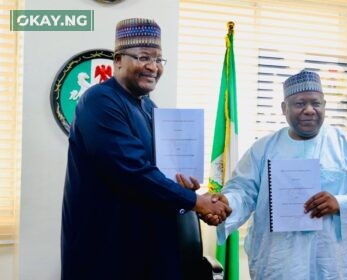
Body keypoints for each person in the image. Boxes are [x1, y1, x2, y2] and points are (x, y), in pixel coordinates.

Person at [61, 18, 231, 280]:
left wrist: (185, 186)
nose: (153, 67)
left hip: (147, 249)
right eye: (143, 57)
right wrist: (196, 202)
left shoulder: (149, 107)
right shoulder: (100, 100)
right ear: (118, 60)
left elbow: (157, 173)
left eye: (159, 60)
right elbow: (132, 172)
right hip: (108, 252)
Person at [215, 70, 347, 279]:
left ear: (324, 106)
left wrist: (340, 203)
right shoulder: (263, 149)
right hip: (279, 262)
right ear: (283, 108)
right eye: (299, 104)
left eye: (316, 103)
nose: (309, 110)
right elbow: (242, 192)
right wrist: (225, 203)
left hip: (332, 264)